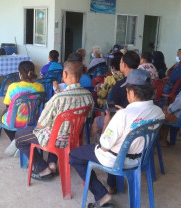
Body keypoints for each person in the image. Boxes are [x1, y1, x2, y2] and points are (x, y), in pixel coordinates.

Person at [69, 69, 164, 208]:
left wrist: (109, 120)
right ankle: (111, 185)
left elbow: (104, 146)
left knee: (74, 156)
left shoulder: (123, 115)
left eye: (127, 91)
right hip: (139, 159)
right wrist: (121, 115)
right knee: (117, 143)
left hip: (116, 160)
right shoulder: (158, 112)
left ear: (131, 93)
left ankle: (102, 195)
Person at [14, 59, 94, 180]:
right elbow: (88, 117)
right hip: (73, 138)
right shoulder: (88, 96)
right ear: (81, 75)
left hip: (55, 139)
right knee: (58, 127)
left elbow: (41, 125)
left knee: (19, 136)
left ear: (65, 74)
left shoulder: (58, 98)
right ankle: (52, 163)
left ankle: (43, 169)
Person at [1, 61, 44, 155]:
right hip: (33, 120)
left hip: (15, 121)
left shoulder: (13, 87)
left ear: (20, 74)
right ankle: (19, 141)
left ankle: (16, 141)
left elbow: (7, 105)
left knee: (3, 114)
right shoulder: (40, 87)